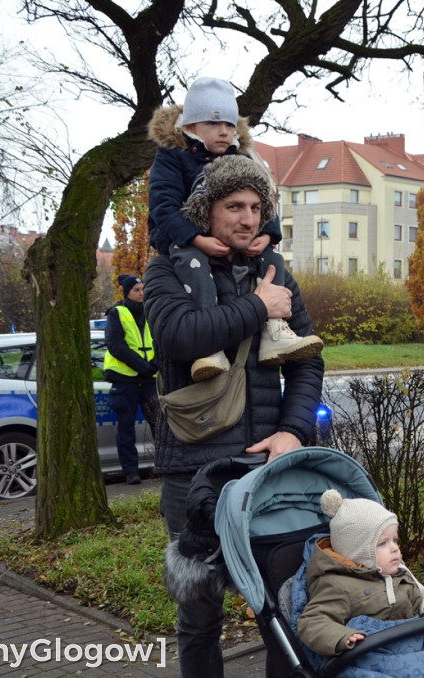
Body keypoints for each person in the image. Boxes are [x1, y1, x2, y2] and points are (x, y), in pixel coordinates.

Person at [146, 153, 324, 678]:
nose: (247, 218)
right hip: (194, 474)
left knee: (283, 611)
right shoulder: (168, 268)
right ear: (207, 210)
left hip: (266, 469)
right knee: (199, 618)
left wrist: (293, 432)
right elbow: (178, 335)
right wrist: (258, 307)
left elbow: (309, 358)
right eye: (234, 206)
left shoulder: (275, 270)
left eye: (255, 206)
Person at [147, 75, 322, 382]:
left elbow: (263, 198)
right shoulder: (173, 157)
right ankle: (208, 351)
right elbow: (164, 207)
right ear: (189, 127)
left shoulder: (240, 156)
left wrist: (267, 234)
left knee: (274, 260)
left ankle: (275, 331)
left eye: (229, 125)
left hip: (272, 428)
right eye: (213, 124)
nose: (224, 132)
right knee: (193, 263)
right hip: (181, 237)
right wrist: (197, 239)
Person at [295, 490, 424, 668]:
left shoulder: (399, 578)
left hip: (414, 652)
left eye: (395, 540)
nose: (394, 548)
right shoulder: (338, 585)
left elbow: (419, 604)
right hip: (371, 659)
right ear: (357, 552)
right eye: (383, 543)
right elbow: (312, 621)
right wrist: (341, 637)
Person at [102, 274, 158, 485]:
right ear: (126, 293)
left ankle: (162, 466)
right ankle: (130, 472)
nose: (142, 293)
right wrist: (143, 366)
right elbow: (115, 345)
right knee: (126, 429)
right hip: (125, 379)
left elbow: (162, 341)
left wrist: (155, 365)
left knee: (159, 425)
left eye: (143, 289)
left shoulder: (152, 311)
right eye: (136, 290)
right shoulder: (116, 313)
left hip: (150, 377)